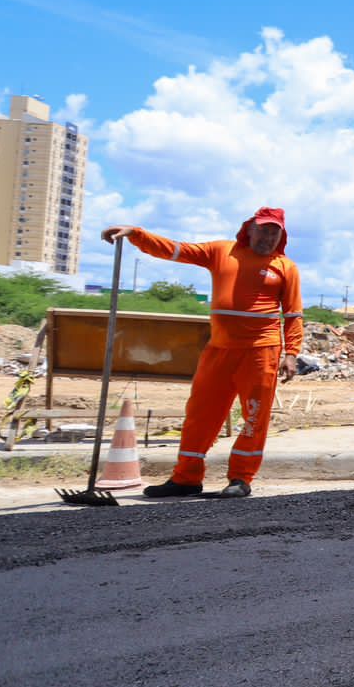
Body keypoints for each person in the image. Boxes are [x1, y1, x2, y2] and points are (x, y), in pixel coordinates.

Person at [100, 208, 302, 499]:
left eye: (275, 232)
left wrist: (291, 353)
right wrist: (137, 234)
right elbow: (176, 250)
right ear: (249, 229)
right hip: (218, 351)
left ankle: (240, 479)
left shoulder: (286, 267)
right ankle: (186, 479)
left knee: (254, 418)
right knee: (200, 415)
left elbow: (294, 314)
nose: (268, 236)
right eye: (264, 229)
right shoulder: (221, 251)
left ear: (282, 236)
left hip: (261, 353)